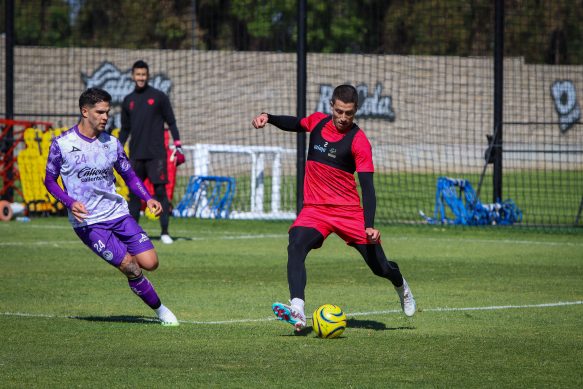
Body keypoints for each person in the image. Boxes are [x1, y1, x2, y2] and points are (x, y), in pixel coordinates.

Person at [252, 84, 416, 331]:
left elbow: (368, 188)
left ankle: (400, 283)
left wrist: (369, 225)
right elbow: (296, 123)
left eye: (348, 113)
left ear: (356, 110)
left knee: (379, 267)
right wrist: (270, 118)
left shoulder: (359, 141)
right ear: (331, 106)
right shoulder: (317, 123)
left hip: (348, 213)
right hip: (315, 210)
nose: (343, 118)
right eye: (339, 111)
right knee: (296, 243)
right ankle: (297, 308)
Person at [44, 87, 179, 326]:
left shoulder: (112, 144)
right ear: (84, 111)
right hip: (89, 223)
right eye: (100, 112)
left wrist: (148, 198)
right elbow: (49, 180)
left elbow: (130, 177)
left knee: (151, 263)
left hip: (117, 213)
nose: (105, 117)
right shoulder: (62, 144)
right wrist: (69, 201)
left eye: (107, 112)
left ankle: (142, 284)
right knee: (131, 267)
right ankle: (162, 311)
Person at [119, 60, 185, 245]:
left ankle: (164, 232)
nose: (140, 77)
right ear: (133, 76)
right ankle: (133, 234)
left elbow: (171, 122)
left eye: (143, 74)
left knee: (160, 193)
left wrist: (178, 143)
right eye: (137, 74)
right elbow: (125, 129)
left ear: (147, 76)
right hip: (136, 155)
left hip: (157, 155)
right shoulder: (128, 100)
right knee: (134, 194)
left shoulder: (159, 97)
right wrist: (116, 147)